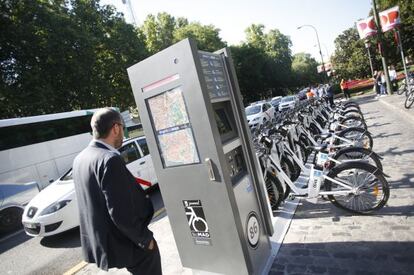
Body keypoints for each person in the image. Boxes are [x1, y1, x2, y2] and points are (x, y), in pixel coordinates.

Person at [73, 108, 161, 275]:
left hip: (106, 243)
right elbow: (120, 212)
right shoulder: (110, 159)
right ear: (115, 128)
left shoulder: (80, 158)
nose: (123, 132)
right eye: (123, 126)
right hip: (126, 243)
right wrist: (145, 240)